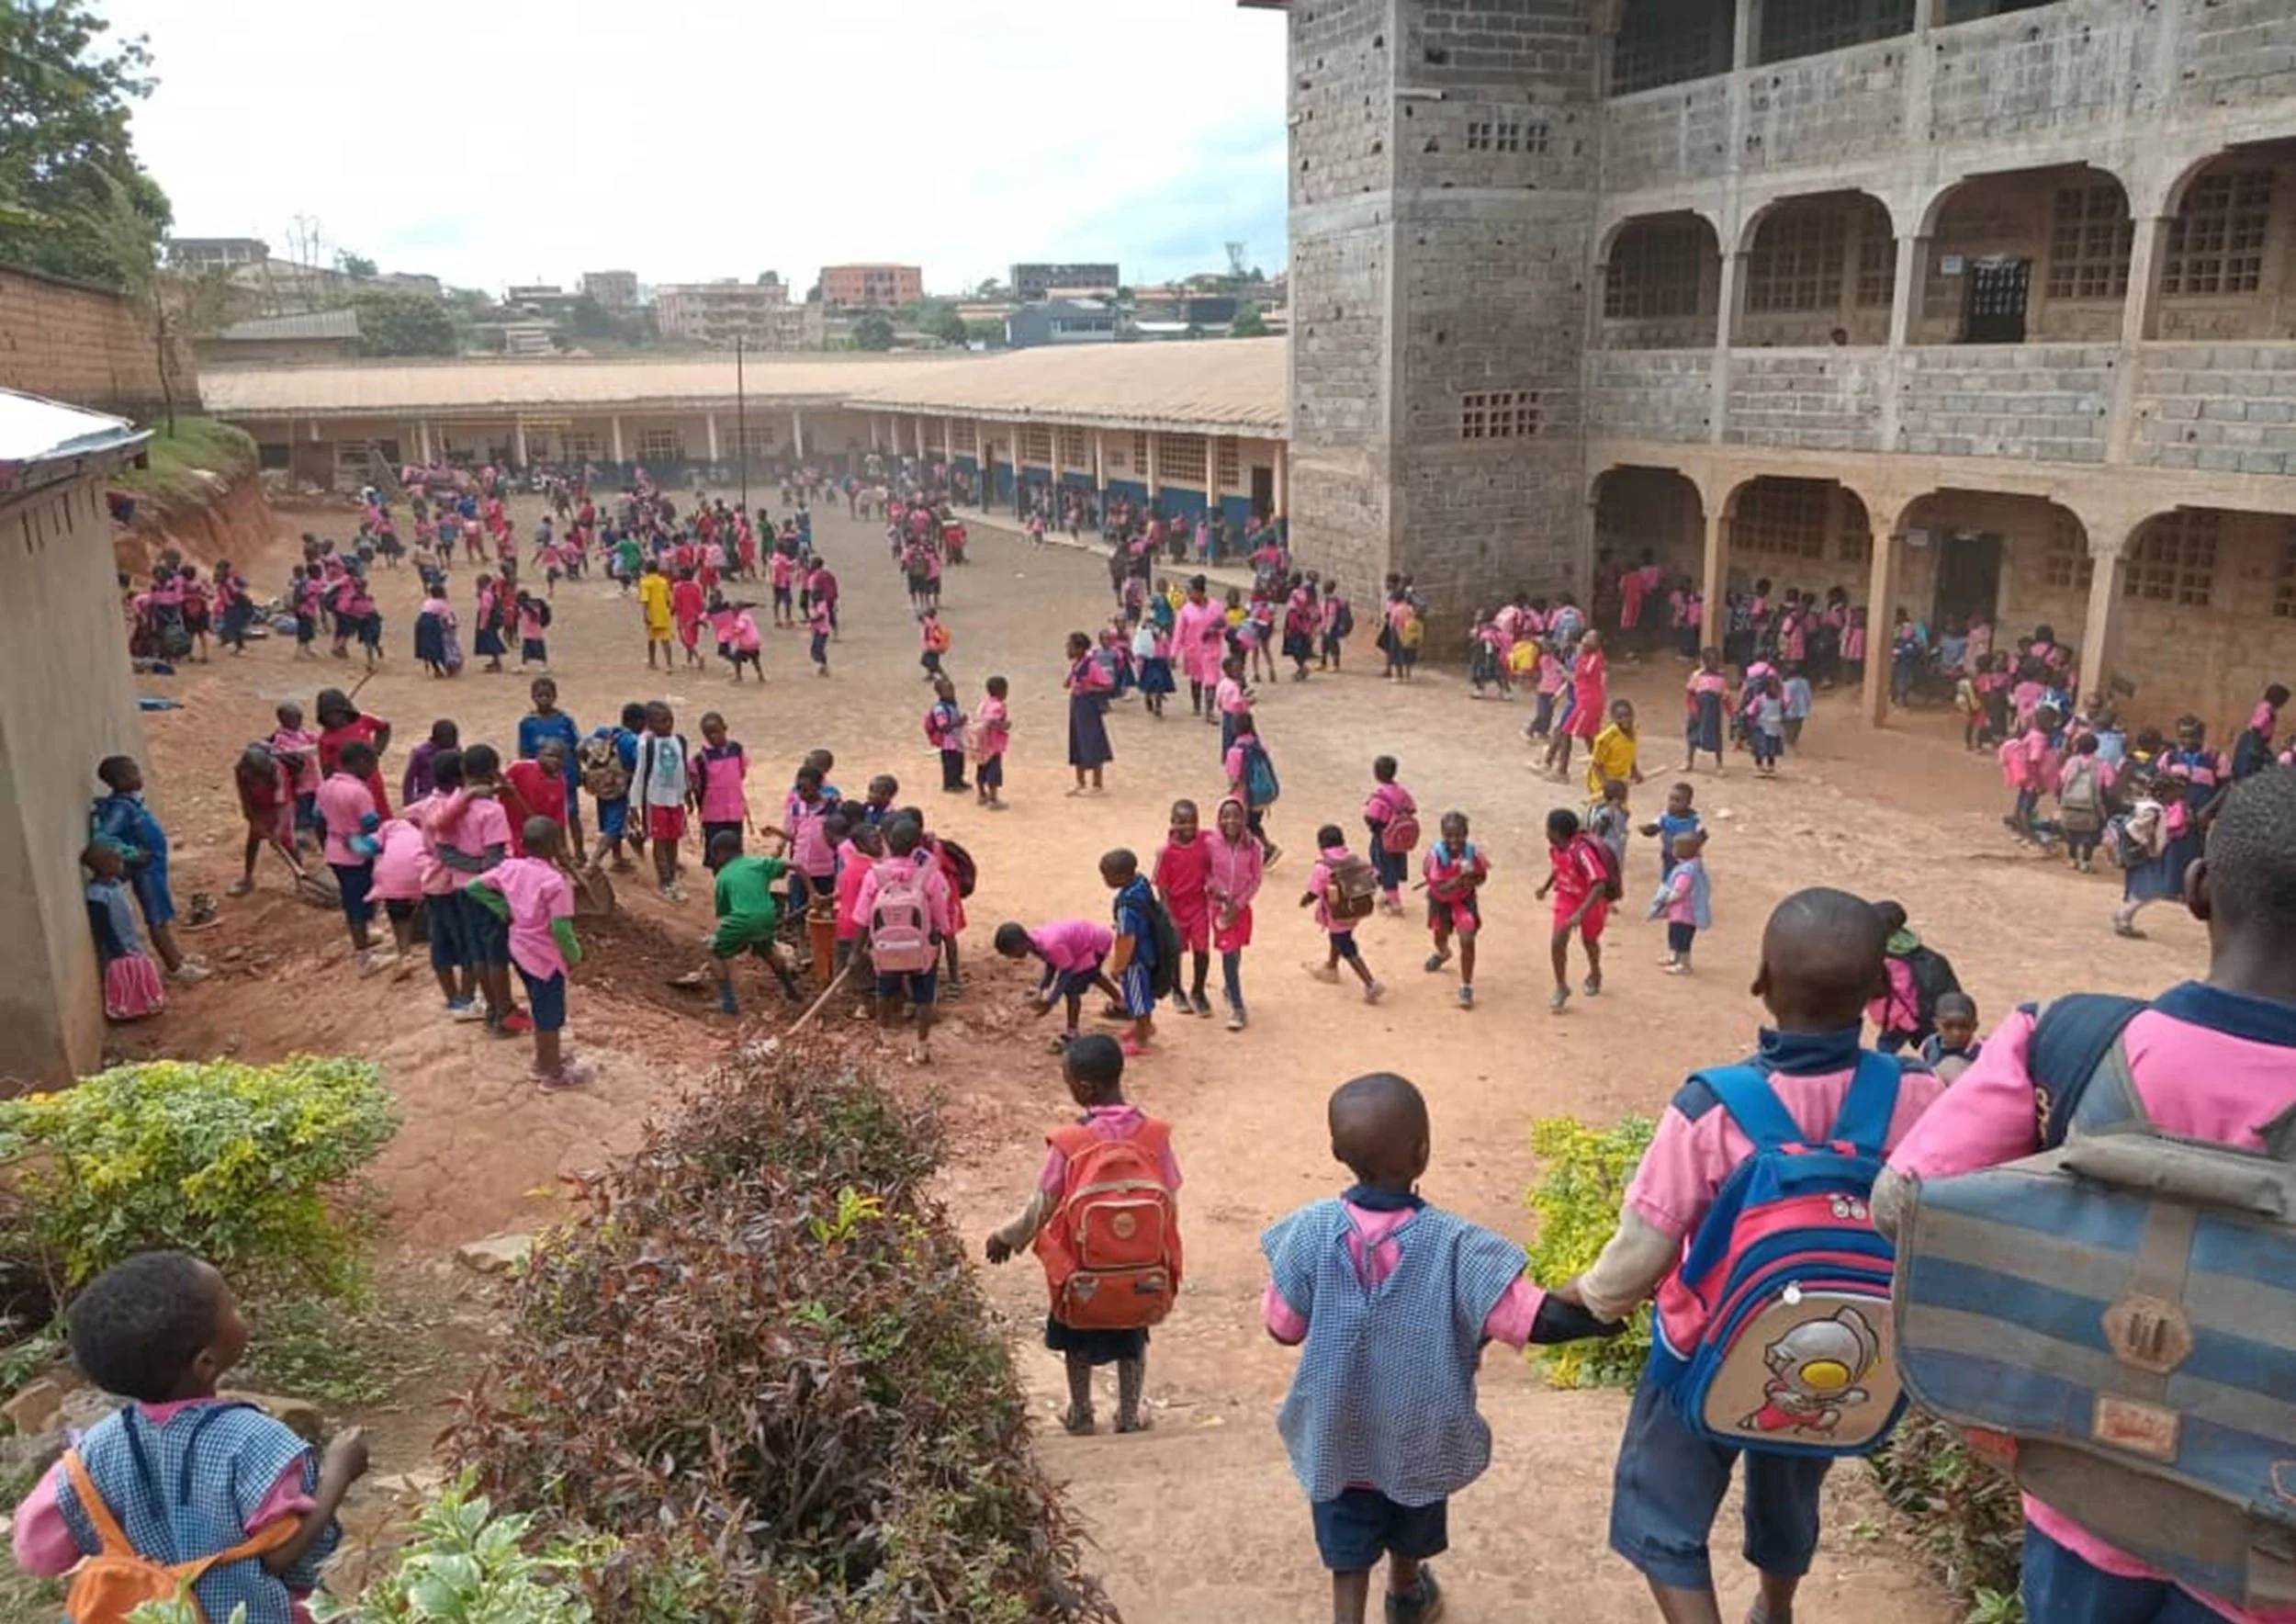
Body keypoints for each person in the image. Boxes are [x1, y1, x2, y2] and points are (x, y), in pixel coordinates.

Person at [1872, 768, 2296, 1624]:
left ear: (2197, 889)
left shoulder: (2063, 1041)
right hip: (2271, 1546)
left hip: (2082, 1494)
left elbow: (1903, 1203)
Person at [1555, 888, 1947, 1624]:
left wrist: (1592, 1296)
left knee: (1660, 1506)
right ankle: (1774, 1608)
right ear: (1873, 994)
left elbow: (1645, 1247)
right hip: (1846, 1350)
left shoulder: (1712, 1107)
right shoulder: (1920, 1094)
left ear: (1761, 978)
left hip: (1706, 1349)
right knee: (1792, 1486)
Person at [1264, 1073, 1619, 1624]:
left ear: (1337, 1152)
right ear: (1423, 1152)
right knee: (1413, 1511)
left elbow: (1283, 1328)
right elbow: (1534, 1320)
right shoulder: (1458, 1246)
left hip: (1337, 1431)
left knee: (1348, 1547)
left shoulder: (1307, 1233)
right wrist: (1607, 1316)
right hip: (1422, 1433)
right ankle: (1406, 1594)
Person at [9, 1252, 370, 1623]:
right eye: (232, 1308)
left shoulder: (91, 1452)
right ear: (206, 1363)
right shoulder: (259, 1442)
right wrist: (337, 1475)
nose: (240, 1312)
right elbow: (281, 1555)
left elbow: (36, 1553)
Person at [984, 1033, 1180, 1437]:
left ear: (1086, 1088)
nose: (1068, 1086)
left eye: (1068, 1080)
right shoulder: (1154, 1135)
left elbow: (1043, 1204)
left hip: (1082, 1267)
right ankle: (1129, 1413)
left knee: (1075, 1332)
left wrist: (1006, 1238)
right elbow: (1170, 1197)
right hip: (1137, 1266)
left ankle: (1081, 1411)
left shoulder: (1070, 1142)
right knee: (1132, 1331)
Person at [466, 818, 592, 1090]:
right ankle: (551, 1072)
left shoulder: (510, 867)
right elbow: (560, 929)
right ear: (556, 847)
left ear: (522, 843)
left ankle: (544, 1059)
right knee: (549, 1013)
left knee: (539, 1003)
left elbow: (473, 887)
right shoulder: (556, 883)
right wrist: (575, 957)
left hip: (519, 948)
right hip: (545, 958)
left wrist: (502, 908)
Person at [91, 755, 208, 983]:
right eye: (133, 773)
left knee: (163, 916)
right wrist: (131, 854)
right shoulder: (121, 809)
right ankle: (176, 969)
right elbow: (102, 837)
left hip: (154, 868)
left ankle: (178, 957)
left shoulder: (131, 802)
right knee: (156, 919)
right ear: (119, 779)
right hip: (145, 871)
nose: (139, 776)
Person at [854, 816, 952, 1065]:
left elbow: (864, 917)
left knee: (884, 991)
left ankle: (885, 1039)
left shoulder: (876, 874)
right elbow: (940, 912)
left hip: (886, 948)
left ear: (888, 841)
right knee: (923, 996)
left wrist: (857, 950)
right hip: (920, 948)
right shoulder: (929, 873)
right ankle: (921, 1046)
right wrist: (941, 933)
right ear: (917, 845)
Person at [694, 829, 801, 1015]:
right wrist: (813, 892)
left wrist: (736, 940)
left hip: (743, 920)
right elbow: (794, 866)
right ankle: (791, 991)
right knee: (768, 951)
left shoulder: (723, 877)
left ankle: (728, 1003)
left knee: (713, 952)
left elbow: (727, 914)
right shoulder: (758, 863)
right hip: (768, 915)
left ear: (721, 853)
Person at [318, 739, 397, 975]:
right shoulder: (359, 792)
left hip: (335, 851)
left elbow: (319, 820)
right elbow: (370, 824)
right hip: (356, 852)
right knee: (359, 903)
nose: (373, 769)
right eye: (372, 763)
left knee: (351, 900)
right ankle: (364, 957)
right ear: (361, 762)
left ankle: (365, 940)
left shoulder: (326, 786)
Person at [995, 918, 1120, 1050]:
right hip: (1085, 944)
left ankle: (1072, 1034)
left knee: (1072, 989)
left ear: (1019, 944)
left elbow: (1066, 971)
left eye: (1011, 953)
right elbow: (1052, 963)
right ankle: (1121, 1003)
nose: (1011, 958)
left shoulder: (1050, 944)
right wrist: (1041, 987)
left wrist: (1051, 1001)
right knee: (1090, 974)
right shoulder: (1035, 941)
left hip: (1094, 944)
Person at [1538, 806, 1614, 1014]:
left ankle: (1595, 972)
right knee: (1557, 942)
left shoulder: (1581, 853)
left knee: (1589, 942)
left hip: (1590, 902)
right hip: (1566, 898)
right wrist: (1545, 887)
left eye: (1548, 829)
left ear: (1556, 832)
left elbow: (1599, 884)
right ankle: (1561, 986)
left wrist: (1581, 911)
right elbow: (1557, 868)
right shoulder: (1555, 849)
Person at [1301, 824, 1385, 1003]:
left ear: (1321, 845)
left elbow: (1314, 892)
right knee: (1338, 937)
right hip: (1356, 911)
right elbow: (1376, 876)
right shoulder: (1355, 860)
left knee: (1347, 946)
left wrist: (1305, 901)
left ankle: (1370, 983)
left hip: (1337, 913)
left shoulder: (1323, 867)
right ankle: (1331, 967)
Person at [83, 841, 165, 1020]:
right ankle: (126, 1008)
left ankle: (143, 1003)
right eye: (117, 860)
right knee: (124, 978)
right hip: (117, 946)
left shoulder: (113, 882)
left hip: (130, 940)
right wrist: (117, 949)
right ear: (105, 866)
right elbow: (103, 927)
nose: (122, 863)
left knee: (135, 973)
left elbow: (135, 865)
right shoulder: (97, 895)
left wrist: (143, 855)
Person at [1203, 797, 1265, 1033]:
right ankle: (1238, 1007)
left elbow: (1257, 878)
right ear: (1219, 818)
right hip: (1218, 907)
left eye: (1236, 816)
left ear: (1244, 818)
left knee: (1236, 950)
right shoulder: (1210, 843)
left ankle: (1230, 988)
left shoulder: (1254, 846)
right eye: (1226, 816)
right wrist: (1214, 888)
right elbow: (1205, 871)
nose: (1231, 821)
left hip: (1241, 908)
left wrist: (1239, 904)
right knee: (1229, 952)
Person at [1153, 799, 1215, 1021]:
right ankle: (1177, 990)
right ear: (1172, 823)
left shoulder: (1204, 840)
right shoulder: (1166, 852)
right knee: (1176, 950)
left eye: (1192, 822)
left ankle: (1198, 991)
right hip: (1175, 906)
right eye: (1181, 822)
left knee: (1202, 949)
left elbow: (1226, 835)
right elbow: (1161, 886)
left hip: (1198, 904)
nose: (1187, 828)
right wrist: (1169, 916)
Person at [1422, 811, 1488, 1009]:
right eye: (1449, 835)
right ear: (1443, 834)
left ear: (1466, 834)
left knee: (1467, 939)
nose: (1454, 840)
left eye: (1458, 835)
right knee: (1440, 936)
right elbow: (1437, 888)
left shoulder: (1473, 853)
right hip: (1440, 901)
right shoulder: (1435, 856)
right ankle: (1443, 953)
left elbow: (1483, 876)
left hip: (1464, 901)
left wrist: (1474, 879)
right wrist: (1458, 880)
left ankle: (1466, 985)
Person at [1102, 848, 1160, 1056]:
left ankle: (1142, 1037)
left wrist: (1118, 966)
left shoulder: (1126, 908)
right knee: (1142, 995)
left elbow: (1127, 939)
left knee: (1137, 1000)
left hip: (1136, 960)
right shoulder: (1141, 883)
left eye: (1107, 875)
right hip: (1149, 949)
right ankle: (1141, 1027)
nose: (1105, 879)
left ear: (1121, 876)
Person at [231, 741, 306, 898]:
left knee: (288, 841)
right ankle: (248, 878)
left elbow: (283, 803)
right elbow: (244, 797)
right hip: (259, 806)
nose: (258, 781)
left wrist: (278, 829)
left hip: (281, 806)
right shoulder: (241, 771)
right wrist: (253, 818)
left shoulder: (278, 770)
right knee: (253, 839)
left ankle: (301, 879)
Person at [634, 703, 692, 903]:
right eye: (662, 721)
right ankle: (664, 880)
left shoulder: (680, 741)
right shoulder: (646, 745)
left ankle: (672, 875)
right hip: (655, 799)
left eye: (670, 719)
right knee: (660, 839)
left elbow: (682, 769)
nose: (667, 724)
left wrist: (688, 795)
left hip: (676, 800)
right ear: (650, 724)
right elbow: (640, 775)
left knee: (674, 838)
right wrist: (635, 804)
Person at [314, 690, 391, 818]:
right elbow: (326, 771)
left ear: (345, 710)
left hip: (372, 778)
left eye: (336, 713)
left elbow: (384, 727)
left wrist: (377, 751)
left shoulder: (364, 720)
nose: (333, 719)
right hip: (349, 786)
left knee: (380, 810)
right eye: (328, 715)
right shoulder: (325, 739)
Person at [1648, 827, 1712, 975]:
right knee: (1675, 936)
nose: (1673, 849)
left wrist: (1666, 900)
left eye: (1676, 846)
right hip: (1679, 913)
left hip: (1684, 914)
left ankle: (1684, 965)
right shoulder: (1692, 865)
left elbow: (1680, 892)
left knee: (1683, 940)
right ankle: (1674, 957)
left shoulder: (1687, 871)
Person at [1224, 712, 1284, 866]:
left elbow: (1234, 779)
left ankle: (1267, 848)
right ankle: (1261, 851)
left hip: (1245, 797)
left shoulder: (1235, 751)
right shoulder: (1259, 746)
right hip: (1262, 795)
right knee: (1253, 823)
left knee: (1247, 825)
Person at [1363, 756, 1419, 918]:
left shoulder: (1379, 795)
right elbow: (1412, 808)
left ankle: (1395, 904)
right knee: (1393, 866)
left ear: (1376, 773)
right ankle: (1385, 895)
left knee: (1383, 867)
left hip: (1383, 838)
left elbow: (1371, 817)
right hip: (1399, 839)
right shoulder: (1401, 791)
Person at [1064, 630, 1114, 795]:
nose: (1067, 650)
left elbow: (1108, 684)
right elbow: (1068, 684)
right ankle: (1081, 782)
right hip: (1077, 707)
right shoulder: (1077, 664)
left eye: (1070, 647)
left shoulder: (1092, 665)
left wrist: (1092, 688)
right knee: (1078, 741)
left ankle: (1097, 783)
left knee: (1093, 743)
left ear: (1080, 649)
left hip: (1089, 709)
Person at [1586, 699, 1644, 806]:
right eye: (1620, 717)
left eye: (1627, 715)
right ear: (1613, 718)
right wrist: (1607, 785)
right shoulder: (1606, 739)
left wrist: (1634, 771)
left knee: (1622, 812)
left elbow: (1630, 753)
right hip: (1603, 781)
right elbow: (1597, 764)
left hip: (1621, 780)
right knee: (1605, 815)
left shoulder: (1633, 732)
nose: (1624, 719)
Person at [1915, 989, 1981, 1082]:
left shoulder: (1983, 1052)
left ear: (1975, 1026)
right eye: (1948, 1026)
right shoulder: (1928, 1046)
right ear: (1936, 1024)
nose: (1956, 1033)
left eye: (1964, 1026)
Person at [1683, 648, 1728, 774]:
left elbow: (1725, 697)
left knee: (1716, 737)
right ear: (1703, 662)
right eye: (1710, 662)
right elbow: (1690, 694)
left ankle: (1719, 764)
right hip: (1697, 710)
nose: (1713, 665)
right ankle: (1689, 761)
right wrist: (1692, 709)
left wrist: (1731, 712)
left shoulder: (1721, 679)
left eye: (1715, 662)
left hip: (1713, 713)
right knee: (1692, 735)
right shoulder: (1697, 676)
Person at [924, 675, 969, 795]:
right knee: (950, 765)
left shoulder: (952, 704)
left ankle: (958, 781)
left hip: (956, 740)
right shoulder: (940, 708)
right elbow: (943, 727)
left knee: (959, 763)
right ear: (940, 692)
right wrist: (958, 722)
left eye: (952, 688)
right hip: (947, 743)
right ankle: (949, 785)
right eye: (948, 689)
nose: (952, 691)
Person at [972, 675, 1011, 810]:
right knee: (993, 771)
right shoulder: (999, 706)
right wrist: (1004, 725)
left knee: (981, 768)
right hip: (993, 744)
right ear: (1001, 691)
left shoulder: (984, 703)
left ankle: (982, 794)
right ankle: (994, 799)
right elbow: (992, 721)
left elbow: (980, 718)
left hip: (981, 743)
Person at [638, 560, 674, 668]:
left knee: (651, 639)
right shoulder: (663, 581)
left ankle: (652, 662)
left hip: (651, 615)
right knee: (665, 640)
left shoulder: (644, 582)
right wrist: (669, 612)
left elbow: (645, 600)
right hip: (663, 614)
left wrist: (644, 615)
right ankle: (669, 664)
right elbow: (669, 600)